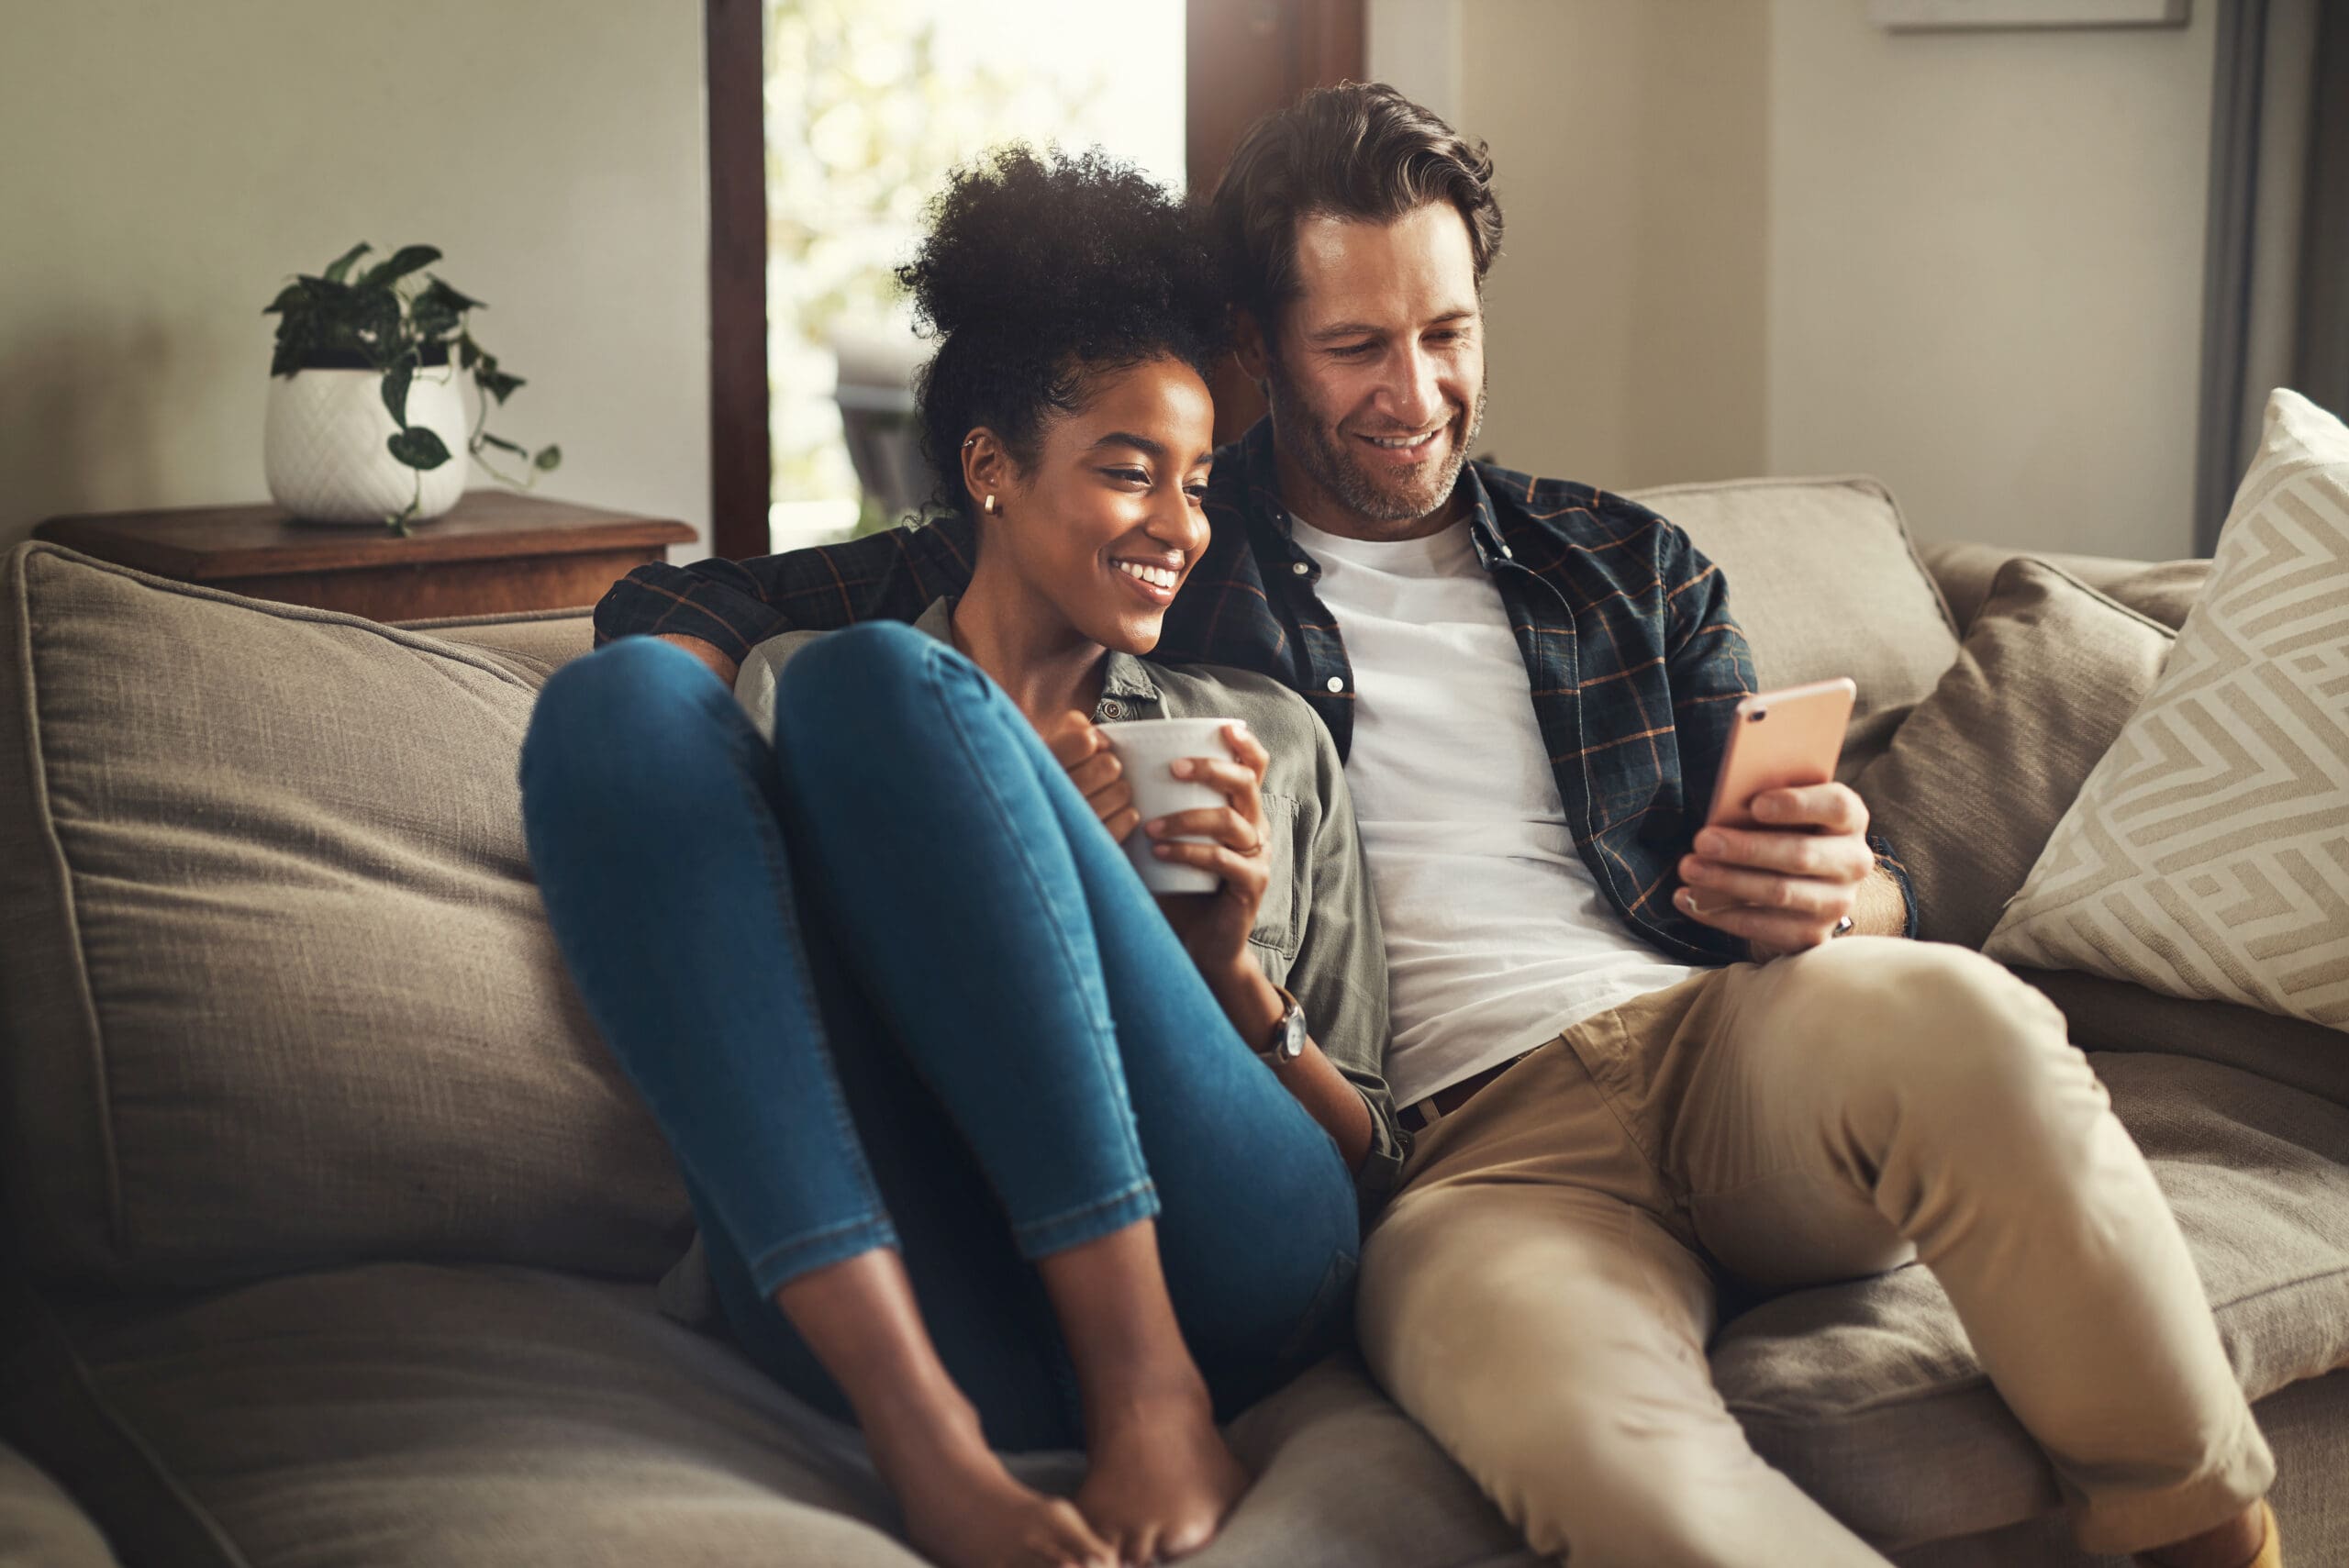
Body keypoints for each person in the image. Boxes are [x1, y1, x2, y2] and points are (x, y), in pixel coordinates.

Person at [586, 85, 2281, 1568]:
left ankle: (2220, 1540)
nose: (1415, 392)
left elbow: (1835, 870)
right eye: (1357, 347)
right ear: (1261, 348)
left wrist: (1859, 888)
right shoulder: (1146, 530)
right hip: (1459, 1173)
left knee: (1975, 1021)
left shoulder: (1624, 563)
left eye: (1448, 334)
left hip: (1730, 1039)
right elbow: (683, 602)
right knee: (1618, 1473)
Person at [520, 146, 1402, 1568]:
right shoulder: (806, 690)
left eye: (1195, 484)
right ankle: (924, 1441)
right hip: (929, 1285)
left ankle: (1148, 1390)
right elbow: (759, 1010)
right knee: (622, 704)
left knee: (883, 686)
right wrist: (988, 818)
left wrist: (1226, 969)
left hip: (1224, 1261)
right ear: (990, 469)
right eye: (1130, 472)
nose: (1180, 524)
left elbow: (1375, 1162)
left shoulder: (1270, 738)